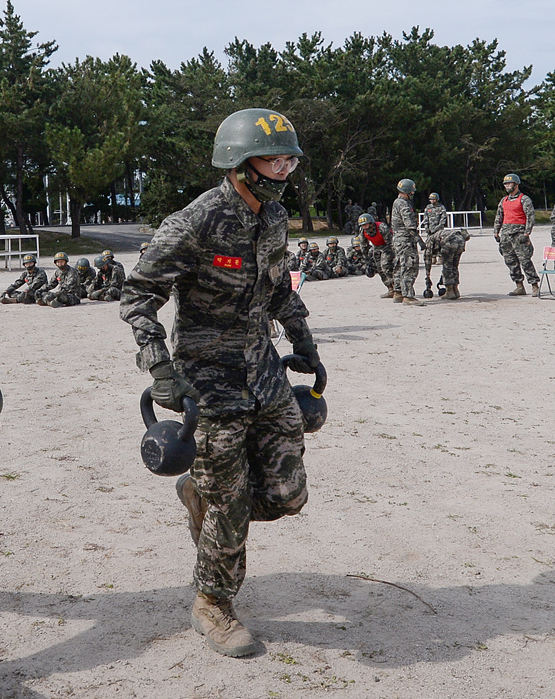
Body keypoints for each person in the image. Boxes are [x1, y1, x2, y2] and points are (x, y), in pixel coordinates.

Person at [120, 108, 318, 659]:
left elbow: (278, 290)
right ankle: (213, 603)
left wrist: (305, 343)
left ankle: (197, 495)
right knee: (229, 505)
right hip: (210, 385)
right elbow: (138, 294)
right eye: (272, 158)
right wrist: (159, 367)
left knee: (287, 496)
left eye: (288, 159)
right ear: (238, 162)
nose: (284, 169)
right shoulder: (194, 223)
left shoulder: (274, 218)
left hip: (266, 375)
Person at [493, 173, 539, 297]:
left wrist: (527, 232)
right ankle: (519, 286)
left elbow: (530, 216)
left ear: (516, 185)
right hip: (506, 236)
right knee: (510, 261)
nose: (507, 186)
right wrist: (496, 231)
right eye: (505, 184)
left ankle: (535, 285)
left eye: (509, 183)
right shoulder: (504, 200)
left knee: (525, 261)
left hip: (519, 235)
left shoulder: (524, 199)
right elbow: (499, 216)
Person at [390, 179, 423, 306]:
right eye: (411, 192)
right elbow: (409, 225)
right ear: (407, 192)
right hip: (406, 240)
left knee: (399, 265)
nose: (412, 194)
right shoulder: (404, 204)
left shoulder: (396, 202)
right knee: (410, 267)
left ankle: (398, 292)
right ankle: (408, 296)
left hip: (398, 240)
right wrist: (419, 240)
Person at [359, 213, 395, 297]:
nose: (364, 227)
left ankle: (397, 288)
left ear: (371, 223)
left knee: (385, 266)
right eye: (362, 225)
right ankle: (390, 289)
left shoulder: (382, 227)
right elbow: (363, 245)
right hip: (376, 247)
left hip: (387, 246)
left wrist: (395, 255)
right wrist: (367, 260)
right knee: (380, 269)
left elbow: (391, 242)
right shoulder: (362, 231)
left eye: (365, 225)